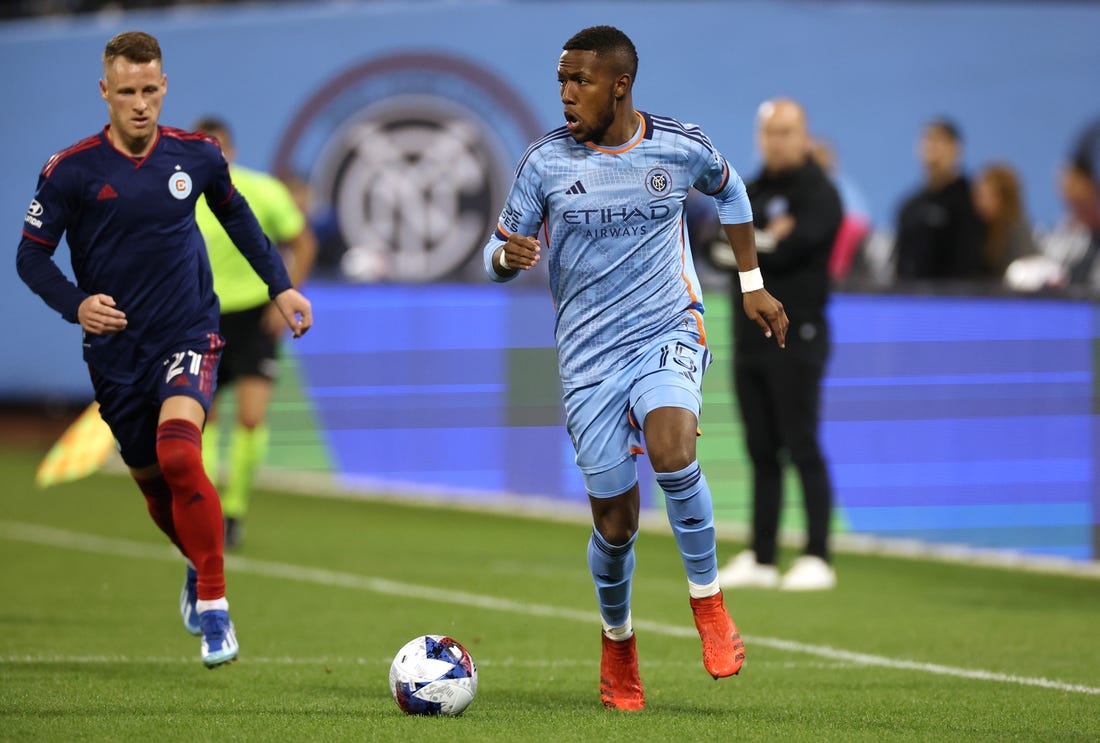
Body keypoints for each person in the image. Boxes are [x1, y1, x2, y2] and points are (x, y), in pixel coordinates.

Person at [482, 25, 788, 711]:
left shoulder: (678, 145)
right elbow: (495, 252)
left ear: (619, 84)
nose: (565, 94)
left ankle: (708, 603)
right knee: (616, 523)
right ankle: (618, 640)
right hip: (588, 355)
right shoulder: (545, 164)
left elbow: (732, 192)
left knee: (673, 448)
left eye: (580, 81)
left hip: (666, 328)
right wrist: (506, 259)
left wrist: (751, 284)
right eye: (561, 80)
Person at [15, 31, 313, 668]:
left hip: (189, 332)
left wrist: (281, 288)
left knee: (181, 453)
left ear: (165, 86)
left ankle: (215, 606)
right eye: (127, 92)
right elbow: (30, 257)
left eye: (150, 90)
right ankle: (194, 562)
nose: (140, 104)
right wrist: (76, 305)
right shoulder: (71, 170)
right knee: (153, 483)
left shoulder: (197, 156)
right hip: (115, 350)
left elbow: (239, 220)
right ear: (105, 92)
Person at [713, 99, 842, 592]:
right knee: (760, 448)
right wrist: (762, 243)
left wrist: (751, 247)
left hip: (798, 334)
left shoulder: (820, 193)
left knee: (802, 443)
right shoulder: (752, 189)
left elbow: (792, 251)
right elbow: (711, 244)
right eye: (770, 132)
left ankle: (817, 554)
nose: (777, 141)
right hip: (750, 337)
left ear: (805, 136)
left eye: (787, 132)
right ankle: (763, 555)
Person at [191, 117, 317, 551]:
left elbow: (303, 242)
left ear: (232, 151)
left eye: (218, 147)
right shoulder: (180, 195)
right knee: (201, 418)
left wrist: (284, 298)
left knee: (250, 417)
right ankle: (203, 511)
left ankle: (234, 512)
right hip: (201, 317)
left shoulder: (261, 190)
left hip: (253, 316)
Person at [894, 118, 983, 281]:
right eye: (927, 140)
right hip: (910, 299)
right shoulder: (910, 206)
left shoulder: (972, 201)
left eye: (939, 141)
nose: (931, 147)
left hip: (956, 299)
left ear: (956, 148)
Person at [971, 163, 1039, 280]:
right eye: (977, 195)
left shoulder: (1017, 231)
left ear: (1004, 198)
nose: (978, 202)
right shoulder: (981, 228)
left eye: (985, 195)